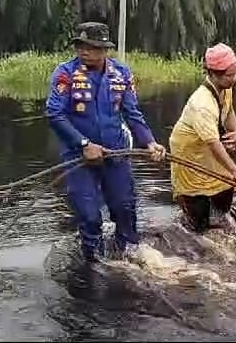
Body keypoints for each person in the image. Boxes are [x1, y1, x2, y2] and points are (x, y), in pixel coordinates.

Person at [45, 21, 166, 262]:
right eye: (79, 45)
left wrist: (150, 142)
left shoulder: (121, 74)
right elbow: (55, 114)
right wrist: (84, 144)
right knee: (89, 216)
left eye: (89, 46)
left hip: (116, 153)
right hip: (79, 157)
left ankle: (128, 258)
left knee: (124, 208)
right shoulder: (65, 74)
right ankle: (93, 264)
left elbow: (133, 114)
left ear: (103, 49)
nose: (83, 51)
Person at [168, 42, 236, 233]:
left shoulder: (225, 88)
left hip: (207, 148)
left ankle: (223, 225)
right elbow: (214, 144)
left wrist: (235, 130)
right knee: (198, 216)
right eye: (230, 75)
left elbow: (228, 110)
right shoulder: (202, 104)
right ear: (214, 74)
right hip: (189, 154)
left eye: (235, 74)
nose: (234, 79)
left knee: (225, 191)